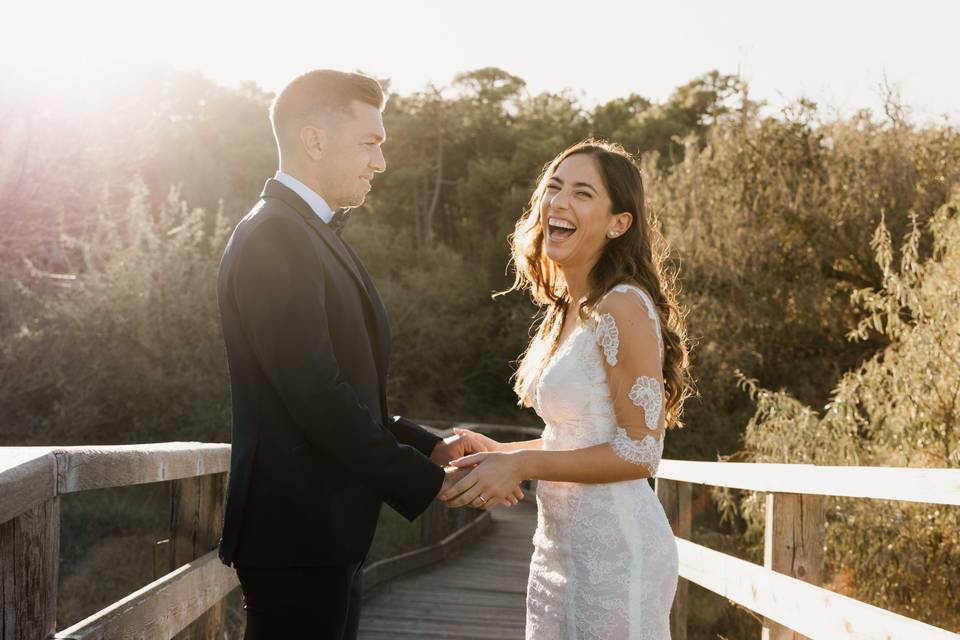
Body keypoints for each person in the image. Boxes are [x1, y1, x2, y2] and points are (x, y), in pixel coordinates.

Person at [215, 69, 513, 640]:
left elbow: (345, 391)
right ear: (315, 141)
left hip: (324, 537)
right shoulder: (275, 236)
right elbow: (315, 398)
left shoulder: (310, 233)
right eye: (371, 143)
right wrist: (432, 483)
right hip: (295, 538)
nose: (380, 162)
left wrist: (431, 446)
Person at [441, 140, 694, 639]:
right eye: (554, 187)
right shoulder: (567, 309)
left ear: (618, 223)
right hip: (557, 548)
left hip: (616, 555)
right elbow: (574, 437)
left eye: (582, 193)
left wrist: (523, 464)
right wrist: (500, 453)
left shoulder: (623, 305)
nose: (558, 202)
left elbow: (642, 450)